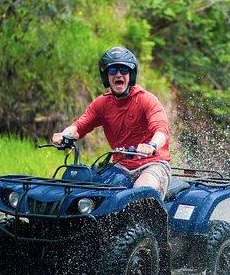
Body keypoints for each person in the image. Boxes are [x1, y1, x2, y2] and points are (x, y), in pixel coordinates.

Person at [52, 46, 171, 198]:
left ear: (131, 75)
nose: (118, 74)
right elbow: (80, 126)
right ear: (106, 76)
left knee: (139, 193)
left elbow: (161, 130)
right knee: (90, 192)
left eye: (123, 70)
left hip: (152, 165)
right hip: (120, 167)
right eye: (113, 70)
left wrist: (151, 145)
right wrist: (64, 135)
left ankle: (145, 222)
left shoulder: (146, 100)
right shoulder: (102, 103)